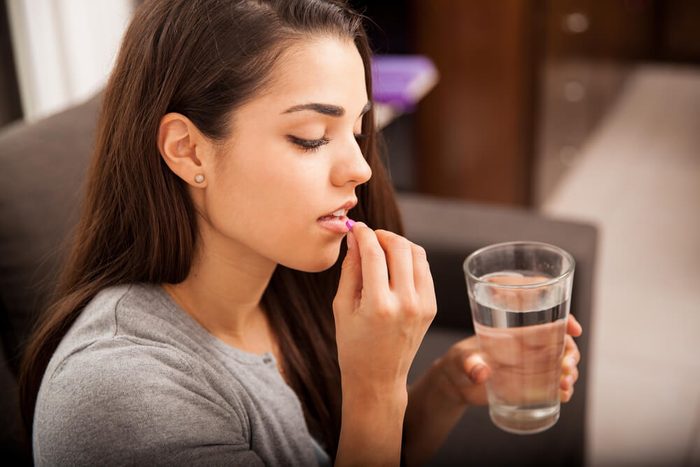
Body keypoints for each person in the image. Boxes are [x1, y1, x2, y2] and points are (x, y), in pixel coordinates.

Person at [19, 0, 583, 465]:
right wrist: (375, 389)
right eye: (312, 136)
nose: (360, 168)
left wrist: (441, 391)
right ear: (187, 149)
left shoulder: (286, 284)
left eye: (358, 130)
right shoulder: (124, 399)